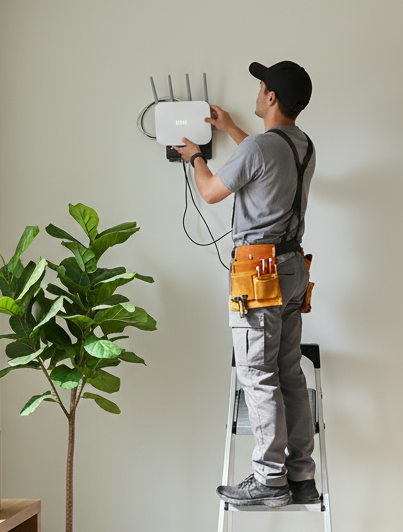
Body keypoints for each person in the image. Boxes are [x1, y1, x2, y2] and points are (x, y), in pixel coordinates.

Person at [175, 61, 318, 508]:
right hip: (294, 266)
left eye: (260, 88)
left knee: (256, 371)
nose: (257, 94)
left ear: (271, 98)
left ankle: (268, 479)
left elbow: (213, 191)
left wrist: (196, 157)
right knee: (288, 370)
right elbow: (261, 164)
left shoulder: (259, 148)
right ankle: (300, 477)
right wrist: (234, 127)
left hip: (259, 270)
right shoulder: (301, 145)